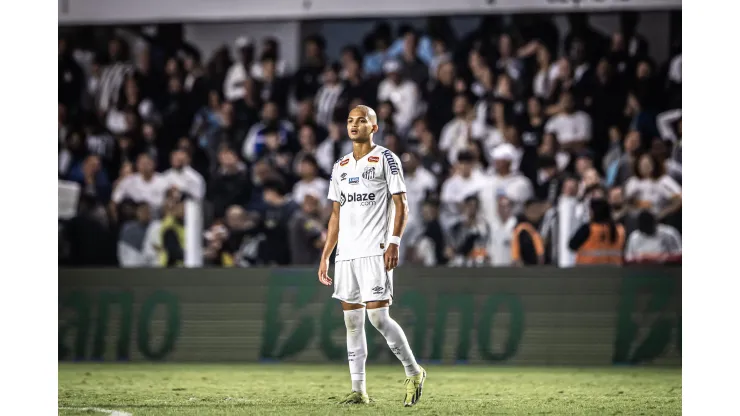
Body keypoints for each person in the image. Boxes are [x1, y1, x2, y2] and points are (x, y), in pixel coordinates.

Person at [318, 105, 426, 406]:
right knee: (352, 321)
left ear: (373, 127)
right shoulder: (340, 166)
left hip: (375, 250)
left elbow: (402, 205)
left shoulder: (386, 159)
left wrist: (394, 242)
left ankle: (414, 371)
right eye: (350, 121)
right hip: (347, 254)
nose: (354, 125)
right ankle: (359, 390)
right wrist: (326, 254)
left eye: (361, 120)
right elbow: (335, 216)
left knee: (378, 317)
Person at [569, 198, 626, 265]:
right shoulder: (619, 229)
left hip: (588, 271)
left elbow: (572, 245)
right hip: (614, 271)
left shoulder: (588, 229)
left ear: (593, 212)